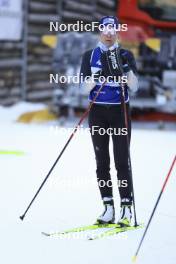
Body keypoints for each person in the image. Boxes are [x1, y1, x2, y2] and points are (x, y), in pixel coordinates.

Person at [80, 16, 139, 226]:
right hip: (97, 113)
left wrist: (125, 71)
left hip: (120, 111)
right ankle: (108, 207)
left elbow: (135, 86)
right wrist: (99, 75)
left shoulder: (125, 54)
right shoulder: (89, 56)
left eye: (112, 29)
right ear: (99, 31)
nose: (109, 33)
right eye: (105, 29)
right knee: (102, 162)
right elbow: (83, 88)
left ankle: (126, 208)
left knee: (122, 161)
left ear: (117, 32)